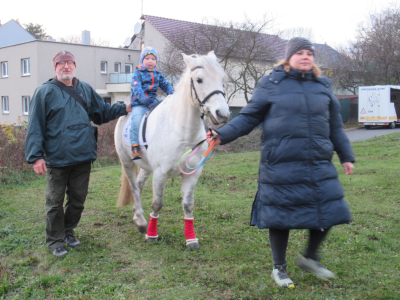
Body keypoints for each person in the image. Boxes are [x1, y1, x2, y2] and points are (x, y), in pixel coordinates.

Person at [207, 37, 355, 289]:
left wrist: (346, 155)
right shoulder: (272, 83)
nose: (306, 56)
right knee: (280, 215)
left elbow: (336, 128)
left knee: (329, 209)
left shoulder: (323, 86)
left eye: (310, 53)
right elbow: (249, 116)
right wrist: (222, 135)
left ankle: (310, 257)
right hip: (281, 163)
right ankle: (279, 268)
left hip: (318, 163)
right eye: (300, 53)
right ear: (289, 57)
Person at [25, 50, 132, 257]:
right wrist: (36, 156)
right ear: (55, 67)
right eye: (61, 63)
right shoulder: (44, 92)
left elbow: (101, 113)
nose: (66, 67)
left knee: (78, 200)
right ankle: (55, 240)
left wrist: (124, 107)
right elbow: (35, 126)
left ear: (75, 66)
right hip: (56, 158)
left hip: (83, 155)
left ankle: (68, 231)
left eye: (70, 63)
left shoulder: (84, 89)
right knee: (54, 202)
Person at [129, 46, 174, 160]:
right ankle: (135, 146)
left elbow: (165, 85)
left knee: (169, 107)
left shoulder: (157, 74)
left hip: (153, 100)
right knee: (136, 120)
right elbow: (136, 88)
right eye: (147, 58)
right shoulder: (138, 73)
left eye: (153, 59)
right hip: (140, 102)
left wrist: (173, 95)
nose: (150, 61)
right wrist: (144, 99)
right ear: (142, 60)